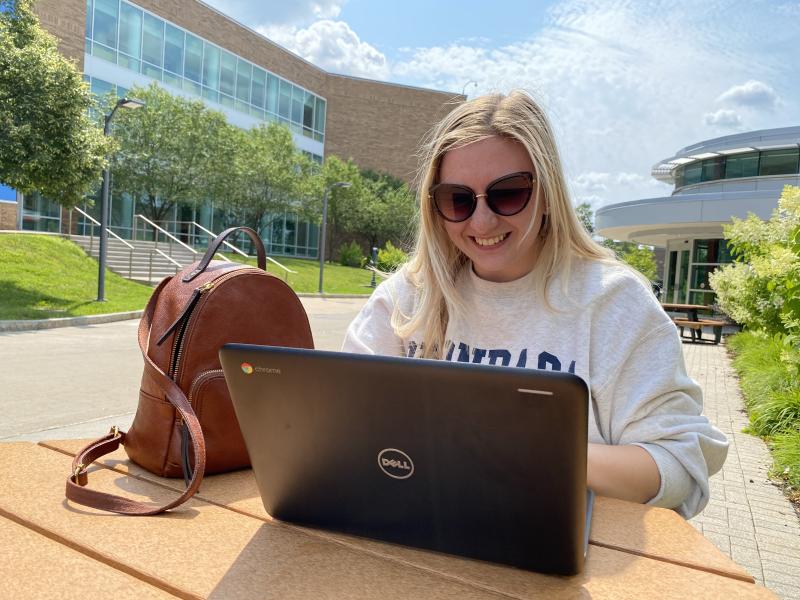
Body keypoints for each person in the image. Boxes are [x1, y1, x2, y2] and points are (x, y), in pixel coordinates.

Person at [342, 90, 727, 519]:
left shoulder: (613, 303)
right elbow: (343, 421)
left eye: (508, 193)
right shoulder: (407, 297)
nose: (482, 222)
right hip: (417, 527)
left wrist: (530, 451)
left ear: (546, 192)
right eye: (458, 199)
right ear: (434, 207)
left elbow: (680, 464)